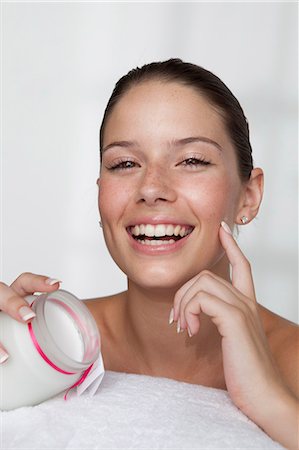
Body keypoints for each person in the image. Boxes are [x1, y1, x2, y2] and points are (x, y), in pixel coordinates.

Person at [0, 59, 298, 448]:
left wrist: (269, 401)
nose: (151, 188)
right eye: (124, 164)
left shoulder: (289, 362)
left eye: (192, 160)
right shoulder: (45, 345)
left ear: (249, 195)